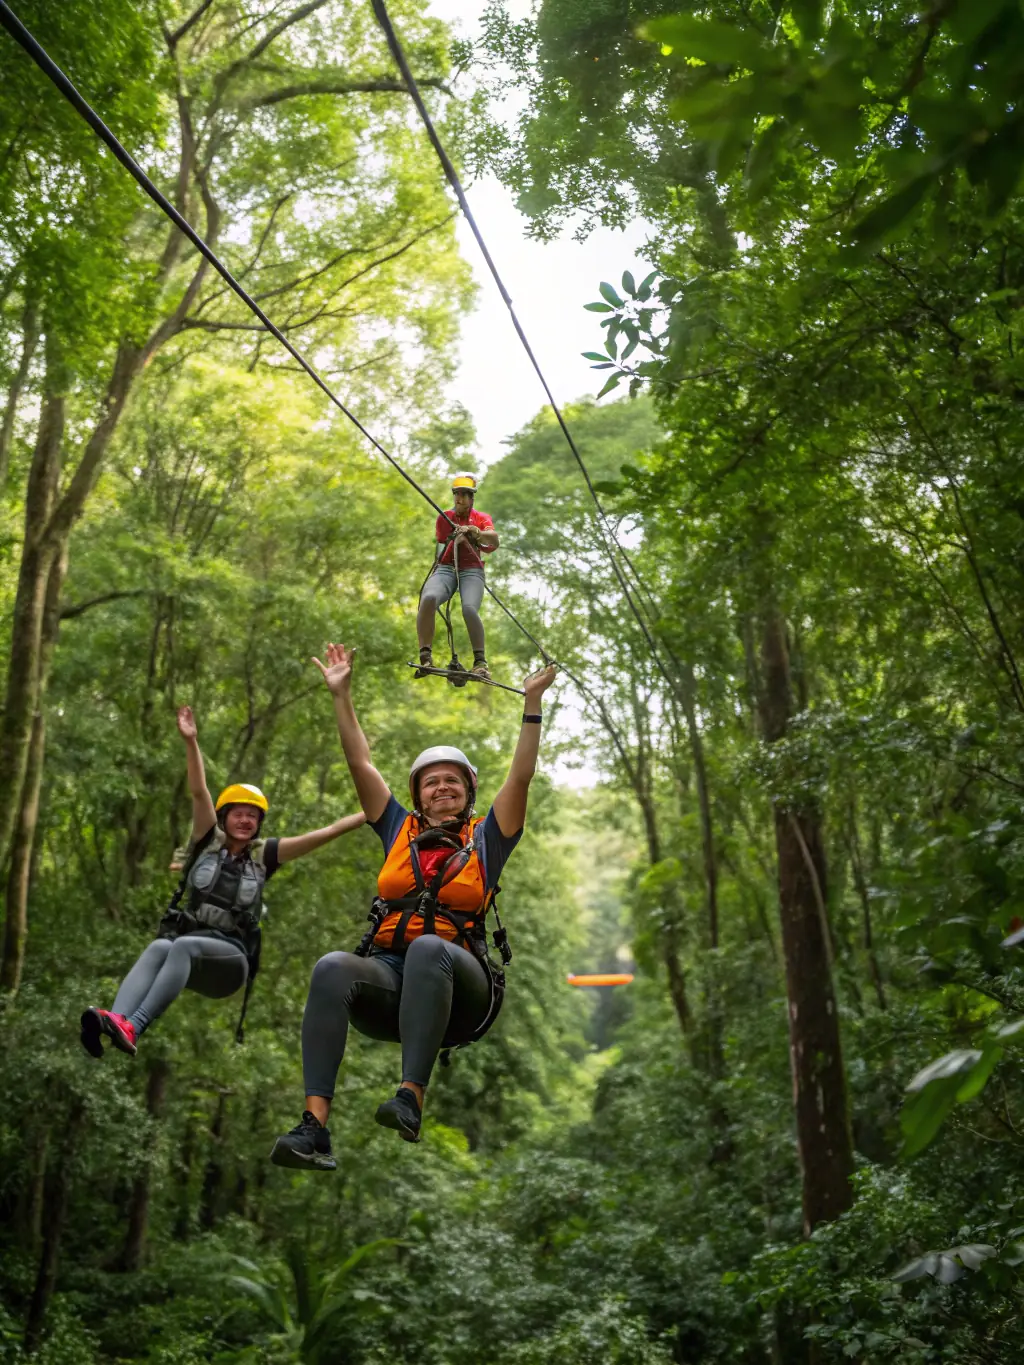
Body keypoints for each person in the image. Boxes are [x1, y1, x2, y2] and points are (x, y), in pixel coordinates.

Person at [269, 641, 557, 1169]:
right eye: (431, 783)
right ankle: (314, 1129)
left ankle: (411, 1097)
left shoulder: (487, 839)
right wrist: (341, 695)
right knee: (332, 967)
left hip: (460, 990)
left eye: (451, 781)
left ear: (467, 792)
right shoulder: (397, 829)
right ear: (418, 795)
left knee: (428, 947)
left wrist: (531, 705)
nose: (441, 787)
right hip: (393, 986)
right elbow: (359, 760)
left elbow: (520, 777)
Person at [80, 706, 366, 1058]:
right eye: (238, 813)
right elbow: (199, 792)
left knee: (181, 945)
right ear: (224, 817)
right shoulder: (205, 842)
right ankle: (116, 1020)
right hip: (193, 958)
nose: (245, 820)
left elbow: (328, 831)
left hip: (230, 961)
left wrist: (371, 811)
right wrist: (191, 741)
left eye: (252, 816)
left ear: (259, 823)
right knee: (160, 947)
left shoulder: (265, 855)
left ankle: (134, 1027)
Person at [416, 473, 499, 680]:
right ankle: (425, 655)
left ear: (472, 498)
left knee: (469, 609)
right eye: (457, 494)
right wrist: (455, 538)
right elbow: (441, 545)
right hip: (446, 568)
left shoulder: (481, 518)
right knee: (428, 598)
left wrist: (474, 532)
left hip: (471, 569)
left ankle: (480, 662)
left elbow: (494, 540)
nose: (460, 498)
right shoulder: (445, 518)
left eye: (465, 494)